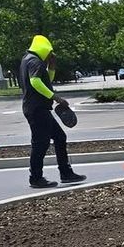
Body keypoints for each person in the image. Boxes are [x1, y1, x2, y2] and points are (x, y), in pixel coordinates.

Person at [20, 33, 85, 189]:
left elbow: (46, 81)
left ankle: (66, 173)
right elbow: (35, 82)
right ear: (43, 49)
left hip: (38, 108)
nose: (51, 54)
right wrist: (55, 97)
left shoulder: (27, 59)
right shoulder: (35, 61)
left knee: (59, 137)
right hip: (37, 109)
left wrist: (51, 67)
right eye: (49, 52)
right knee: (40, 143)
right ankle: (36, 178)